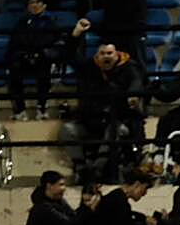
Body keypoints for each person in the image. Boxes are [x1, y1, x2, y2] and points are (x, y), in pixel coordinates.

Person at [59, 19, 145, 185]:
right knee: (67, 130)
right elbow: (70, 56)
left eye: (109, 53)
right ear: (97, 55)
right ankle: (81, 168)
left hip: (117, 119)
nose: (106, 57)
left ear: (116, 54)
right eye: (102, 54)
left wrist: (132, 95)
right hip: (90, 119)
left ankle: (97, 168)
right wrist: (76, 33)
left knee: (115, 131)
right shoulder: (90, 67)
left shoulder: (129, 67)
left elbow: (137, 81)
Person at [6, 0, 62, 120]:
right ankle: (20, 110)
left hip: (43, 58)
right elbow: (14, 44)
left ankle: (41, 108)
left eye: (38, 2)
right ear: (27, 7)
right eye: (31, 3)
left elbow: (57, 44)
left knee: (45, 71)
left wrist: (43, 52)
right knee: (14, 70)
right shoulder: (21, 23)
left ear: (44, 6)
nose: (35, 5)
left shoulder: (51, 23)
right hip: (24, 58)